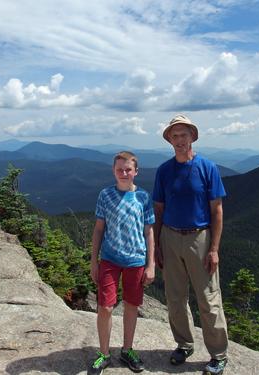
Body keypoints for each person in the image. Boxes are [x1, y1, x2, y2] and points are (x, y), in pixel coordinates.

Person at [152, 114, 229, 375]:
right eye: (175, 136)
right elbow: (159, 209)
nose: (180, 140)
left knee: (208, 299)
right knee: (175, 298)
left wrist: (215, 248)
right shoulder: (164, 171)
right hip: (170, 237)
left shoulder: (208, 168)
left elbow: (217, 211)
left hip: (200, 237)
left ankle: (218, 354)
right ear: (169, 140)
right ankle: (184, 344)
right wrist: (158, 245)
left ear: (192, 137)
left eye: (184, 134)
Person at [88, 151, 155, 374]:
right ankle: (104, 354)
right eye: (119, 169)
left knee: (131, 305)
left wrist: (151, 264)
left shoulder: (144, 198)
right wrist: (94, 261)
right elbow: (98, 229)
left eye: (128, 169)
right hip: (109, 259)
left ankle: (127, 350)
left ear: (136, 171)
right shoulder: (105, 195)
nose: (124, 173)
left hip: (136, 259)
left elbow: (149, 232)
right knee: (105, 306)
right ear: (113, 171)